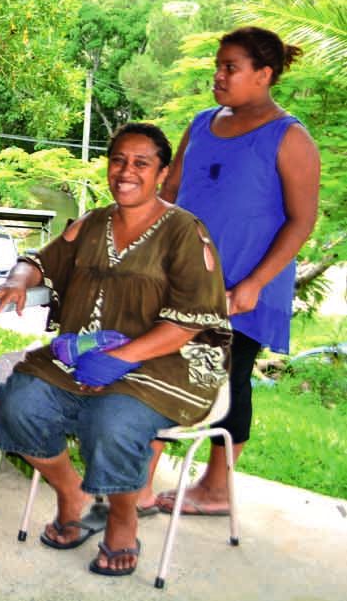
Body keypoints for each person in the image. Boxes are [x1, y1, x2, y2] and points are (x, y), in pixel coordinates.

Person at [0, 123, 231, 578]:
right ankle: (71, 493)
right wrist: (17, 280)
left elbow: (189, 321)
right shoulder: (93, 223)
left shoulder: (184, 231)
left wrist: (120, 358)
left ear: (163, 172)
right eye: (118, 160)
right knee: (19, 403)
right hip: (83, 355)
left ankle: (122, 517)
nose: (126, 171)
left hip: (162, 364)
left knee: (111, 421)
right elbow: (39, 261)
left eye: (141, 163)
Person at [137, 27, 320, 517]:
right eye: (217, 66)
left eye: (230, 68)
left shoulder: (289, 137)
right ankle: (137, 483)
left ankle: (216, 488)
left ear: (264, 74)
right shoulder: (201, 124)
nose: (218, 76)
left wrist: (254, 283)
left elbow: (302, 220)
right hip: (183, 280)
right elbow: (170, 192)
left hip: (245, 288)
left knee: (228, 378)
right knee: (158, 365)